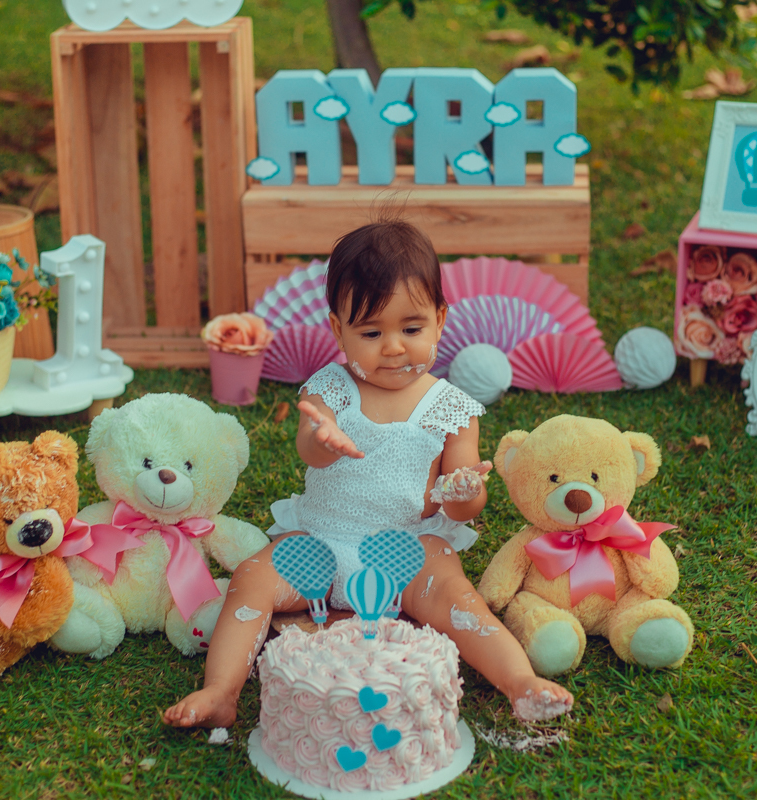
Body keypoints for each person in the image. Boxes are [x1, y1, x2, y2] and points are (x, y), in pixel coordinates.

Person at [164, 219, 574, 728]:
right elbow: (311, 452)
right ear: (338, 330)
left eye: (411, 328)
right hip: (321, 542)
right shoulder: (330, 389)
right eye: (371, 332)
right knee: (251, 577)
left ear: (441, 320)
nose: (394, 347)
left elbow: (461, 505)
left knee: (457, 596)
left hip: (406, 547)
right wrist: (324, 440)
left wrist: (466, 489)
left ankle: (520, 682)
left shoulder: (450, 407)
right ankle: (221, 691)